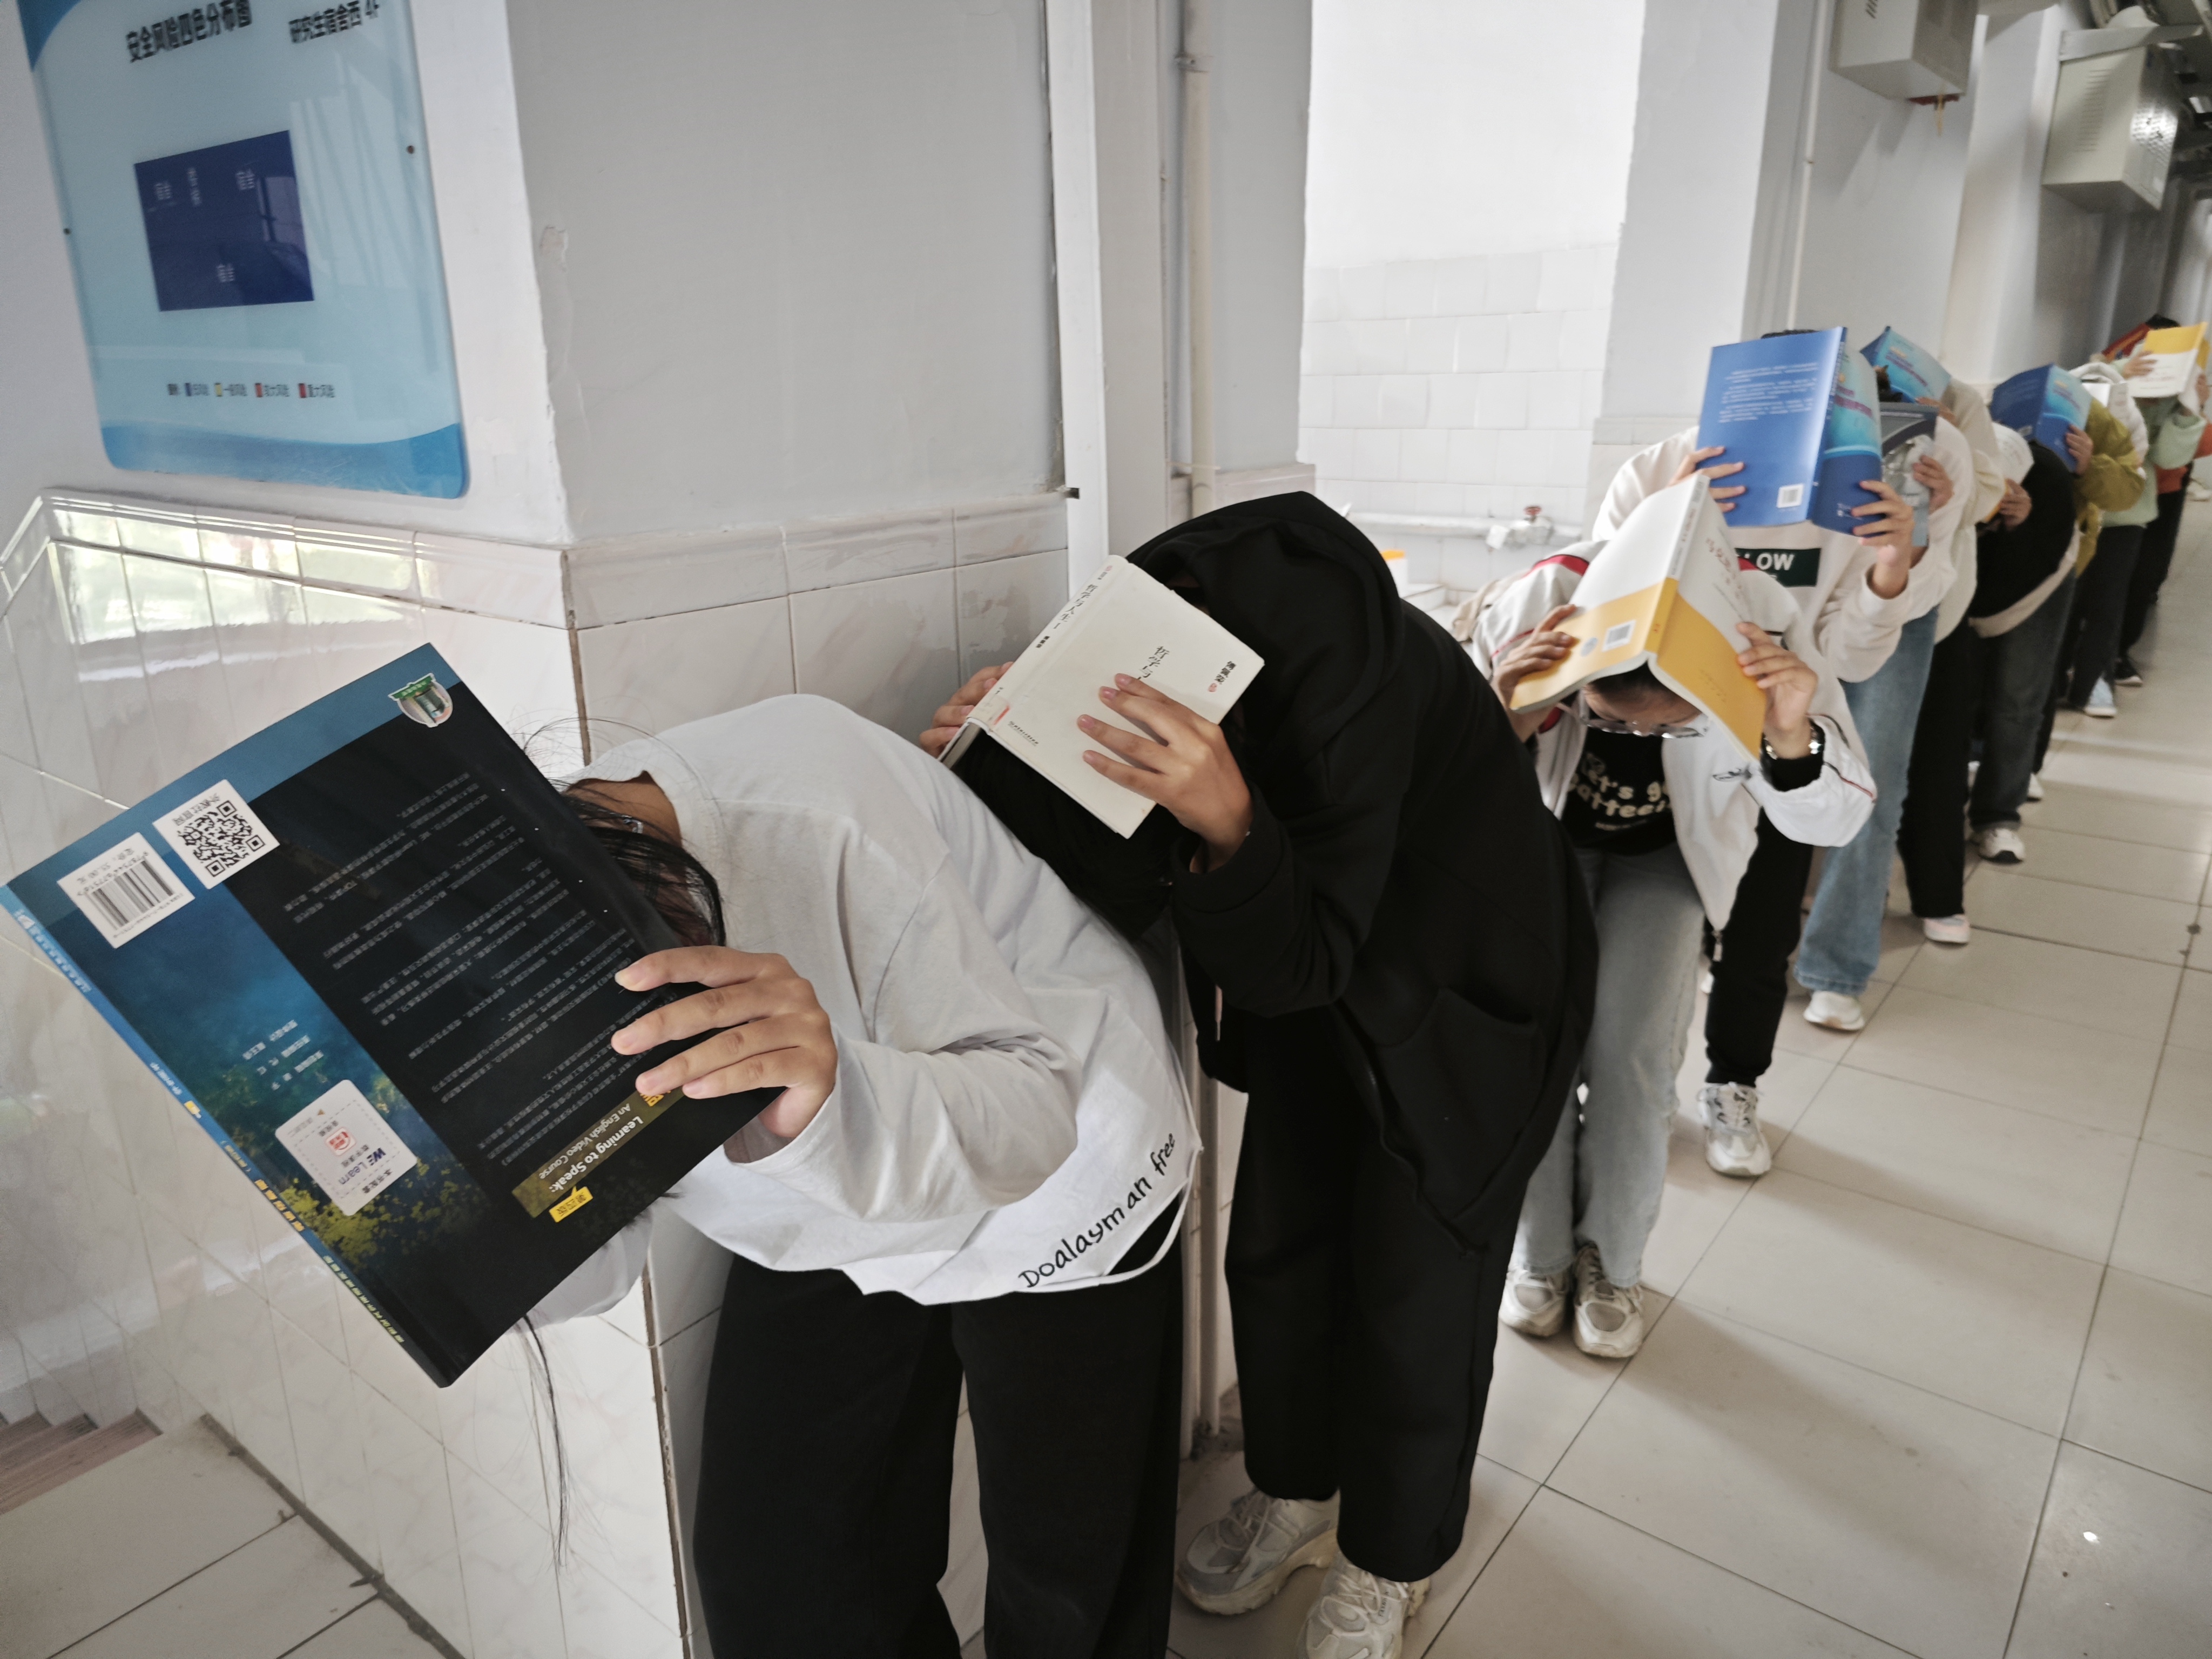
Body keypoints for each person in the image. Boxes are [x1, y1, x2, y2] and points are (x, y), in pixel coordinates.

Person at [921, 492, 1596, 1659]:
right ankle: (1295, 1487)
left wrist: (1230, 820)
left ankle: (1391, 1556)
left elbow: (1296, 954)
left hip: (1469, 1000)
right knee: (1280, 1249)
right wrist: (996, 758)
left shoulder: (1354, 680)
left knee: (1419, 1288)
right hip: (1327, 1000)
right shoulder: (1209, 656)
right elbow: (1126, 883)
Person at [531, 694, 1194, 1658]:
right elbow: (602, 1255)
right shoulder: (505, 979)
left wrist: (831, 1093)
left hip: (1058, 1163)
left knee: (1069, 1587)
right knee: (778, 1576)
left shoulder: (817, 803)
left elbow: (1029, 1113)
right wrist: (460, 1221)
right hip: (828, 1187)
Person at [1472, 542, 1875, 1357]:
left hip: (1668, 858)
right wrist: (1502, 716)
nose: (1632, 736)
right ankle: (1539, 1254)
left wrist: (1790, 736)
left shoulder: (1761, 624)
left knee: (1633, 1055)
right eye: (1609, 719)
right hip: (1538, 845)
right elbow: (1437, 789)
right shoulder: (1537, 605)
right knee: (1531, 1047)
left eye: (1667, 727)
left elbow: (1836, 817)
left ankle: (1612, 1263)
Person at [1588, 335, 1938, 1165]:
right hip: (1659, 735)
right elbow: (1598, 606)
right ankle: (1619, 1091)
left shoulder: (1857, 491)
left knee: (1760, 931)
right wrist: (1659, 522)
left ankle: (1733, 1087)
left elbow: (1850, 659)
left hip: (1772, 728)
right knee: (1633, 940)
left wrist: (1891, 569)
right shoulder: (1658, 468)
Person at [1899, 428, 2078, 927]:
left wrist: (2014, 522)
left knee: (2017, 699)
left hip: (2034, 579)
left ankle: (1998, 815)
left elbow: (2014, 576)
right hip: (1948, 589)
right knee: (1953, 712)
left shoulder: (2044, 478)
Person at [2030, 397, 2148, 772]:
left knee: (2096, 612)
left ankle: (2025, 768)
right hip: (2011, 550)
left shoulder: (2100, 412)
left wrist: (2089, 464)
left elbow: (2130, 485)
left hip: (2077, 545)